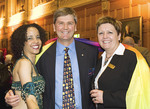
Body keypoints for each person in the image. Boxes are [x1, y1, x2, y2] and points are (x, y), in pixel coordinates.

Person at [5, 7, 99, 109]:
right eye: (61, 23)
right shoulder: (41, 54)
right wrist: (10, 94)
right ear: (54, 27)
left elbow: (101, 81)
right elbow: (25, 81)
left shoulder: (91, 53)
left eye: (70, 23)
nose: (65, 27)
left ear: (75, 26)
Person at [90, 16, 150, 109]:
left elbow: (140, 94)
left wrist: (105, 97)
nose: (105, 36)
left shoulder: (132, 58)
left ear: (118, 36)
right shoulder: (99, 59)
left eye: (110, 32)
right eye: (101, 33)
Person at [5, 23, 46, 109]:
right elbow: (30, 98)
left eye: (38, 37)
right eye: (29, 38)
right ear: (21, 42)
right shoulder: (24, 63)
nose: (36, 41)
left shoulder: (30, 63)